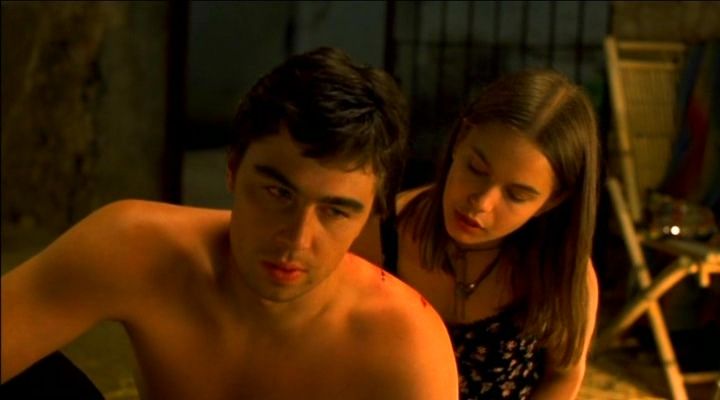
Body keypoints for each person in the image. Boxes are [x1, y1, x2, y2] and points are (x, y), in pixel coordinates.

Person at [1, 47, 459, 399]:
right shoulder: (136, 245)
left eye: (335, 211)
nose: (296, 238)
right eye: (278, 193)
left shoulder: (404, 344)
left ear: (373, 214)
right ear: (233, 169)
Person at [360, 69, 600, 399]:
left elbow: (563, 377)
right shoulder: (381, 235)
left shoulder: (558, 268)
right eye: (476, 169)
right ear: (461, 139)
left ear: (552, 201)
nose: (482, 203)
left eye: (516, 195)